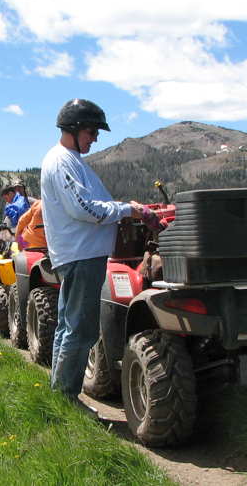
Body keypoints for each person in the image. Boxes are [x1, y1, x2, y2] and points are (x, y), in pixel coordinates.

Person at [40, 98, 143, 403]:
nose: (95, 138)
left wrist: (122, 209)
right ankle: (67, 398)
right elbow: (83, 207)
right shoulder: (62, 162)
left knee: (68, 326)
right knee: (81, 331)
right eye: (91, 131)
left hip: (79, 254)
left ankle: (60, 396)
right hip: (81, 255)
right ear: (73, 129)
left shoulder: (71, 160)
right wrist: (126, 210)